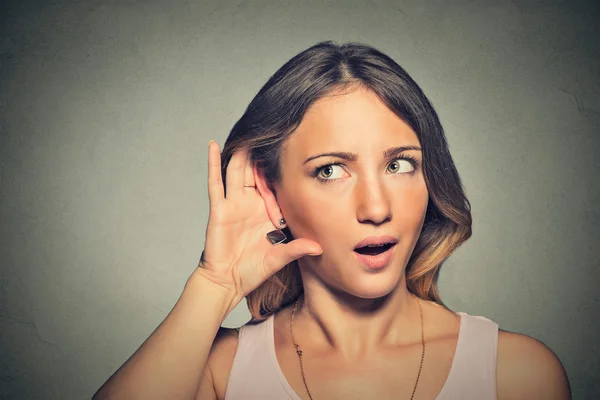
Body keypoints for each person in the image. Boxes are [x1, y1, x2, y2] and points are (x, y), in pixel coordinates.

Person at [93, 41, 571, 400]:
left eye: (399, 164)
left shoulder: (515, 373)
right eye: (330, 170)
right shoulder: (218, 371)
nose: (376, 208)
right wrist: (215, 283)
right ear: (269, 189)